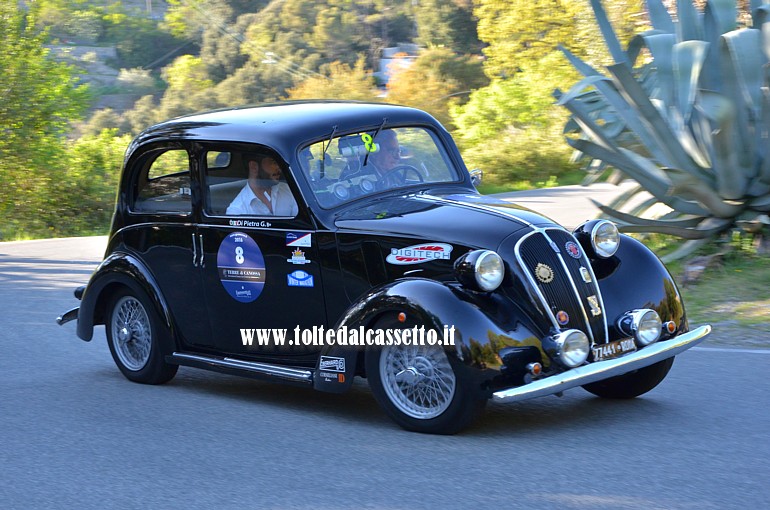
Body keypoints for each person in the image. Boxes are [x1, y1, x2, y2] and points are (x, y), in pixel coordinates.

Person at [226, 154, 299, 216]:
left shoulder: (288, 190)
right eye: (273, 162)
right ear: (254, 166)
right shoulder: (237, 211)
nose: (278, 167)